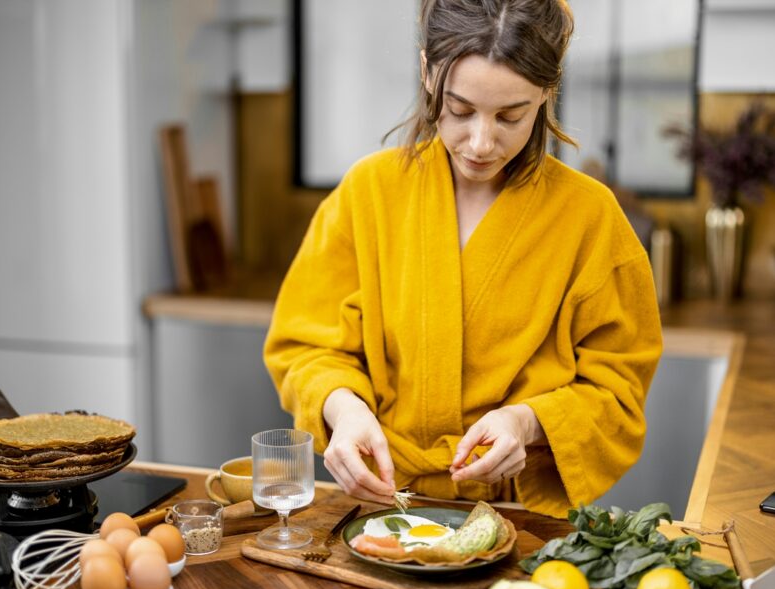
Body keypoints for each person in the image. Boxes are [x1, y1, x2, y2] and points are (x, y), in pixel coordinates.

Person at [263, 0, 662, 518]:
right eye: (460, 110)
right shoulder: (367, 193)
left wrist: (527, 421)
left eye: (510, 116)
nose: (480, 142)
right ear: (428, 71)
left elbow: (619, 389)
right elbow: (304, 348)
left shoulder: (591, 218)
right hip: (384, 507)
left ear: (547, 91)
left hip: (521, 522)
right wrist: (344, 408)